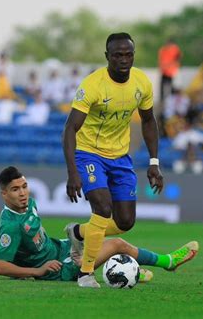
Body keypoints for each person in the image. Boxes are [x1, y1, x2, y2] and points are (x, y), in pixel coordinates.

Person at [62, 32, 167, 288]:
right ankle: (86, 274)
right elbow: (70, 129)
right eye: (117, 55)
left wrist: (154, 162)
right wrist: (73, 172)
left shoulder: (142, 83)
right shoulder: (93, 85)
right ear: (107, 56)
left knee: (125, 222)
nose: (123, 59)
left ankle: (77, 233)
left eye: (128, 54)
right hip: (89, 152)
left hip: (120, 156)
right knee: (102, 206)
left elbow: (149, 120)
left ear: (134, 55)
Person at [0, 166, 198, 283]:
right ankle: (167, 262)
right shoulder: (10, 226)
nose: (22, 193)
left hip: (60, 248)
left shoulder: (29, 203)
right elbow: (0, 266)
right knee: (116, 243)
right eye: (15, 189)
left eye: (24, 186)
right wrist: (37, 272)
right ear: (4, 194)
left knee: (97, 236)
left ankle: (127, 271)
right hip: (57, 269)